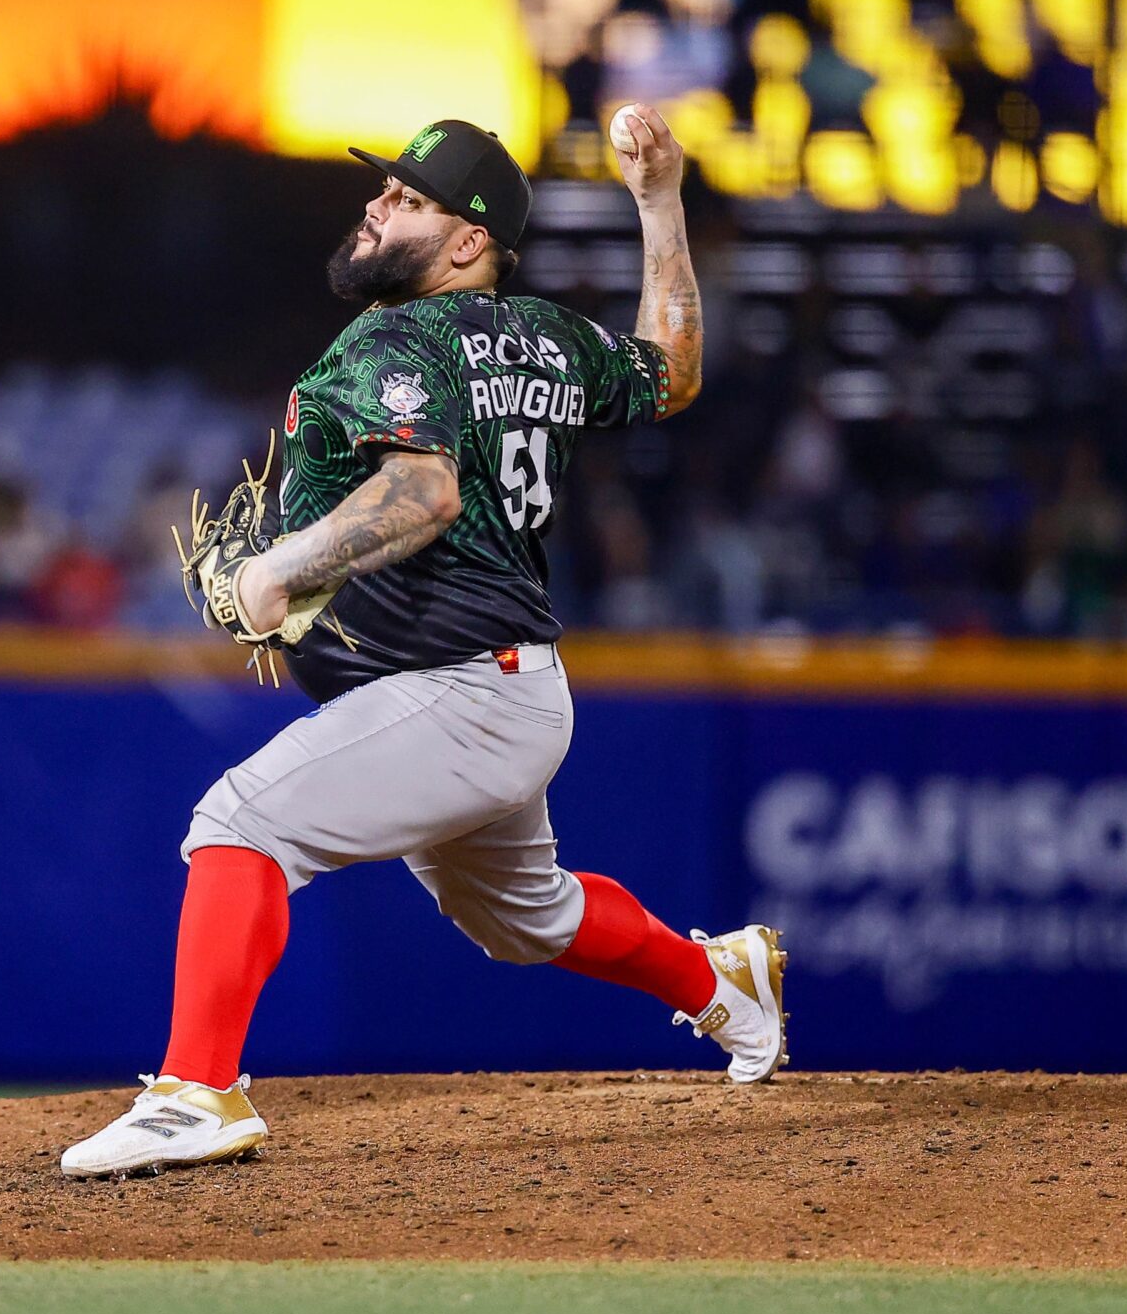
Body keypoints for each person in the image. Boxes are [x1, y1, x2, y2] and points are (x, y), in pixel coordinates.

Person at [59, 110, 789, 1180]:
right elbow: (670, 371)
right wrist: (659, 204)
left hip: (462, 692)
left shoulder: (396, 340)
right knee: (524, 919)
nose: (376, 205)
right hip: (504, 688)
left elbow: (424, 491)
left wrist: (278, 570)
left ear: (465, 242)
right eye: (383, 189)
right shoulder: (545, 337)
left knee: (239, 823)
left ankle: (193, 1094)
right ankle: (718, 981)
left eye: (407, 199)